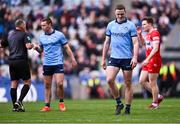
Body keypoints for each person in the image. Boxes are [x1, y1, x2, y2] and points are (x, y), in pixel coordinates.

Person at [101, 4, 139, 115]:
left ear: (125, 12)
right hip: (114, 57)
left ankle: (127, 108)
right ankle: (118, 103)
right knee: (109, 80)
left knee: (127, 83)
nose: (120, 16)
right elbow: (106, 42)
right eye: (118, 14)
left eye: (122, 14)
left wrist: (135, 57)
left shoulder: (131, 25)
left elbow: (136, 43)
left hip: (127, 58)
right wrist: (103, 58)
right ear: (115, 13)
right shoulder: (110, 25)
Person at [34, 18, 77, 112]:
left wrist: (73, 59)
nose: (42, 27)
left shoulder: (59, 35)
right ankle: (47, 106)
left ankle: (61, 102)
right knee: (47, 85)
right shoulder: (41, 37)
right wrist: (36, 48)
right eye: (41, 25)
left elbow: (67, 48)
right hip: (47, 63)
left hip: (58, 62)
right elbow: (41, 50)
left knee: (60, 84)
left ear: (50, 24)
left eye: (44, 25)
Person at [0, 19, 34, 112]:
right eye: (25, 25)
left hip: (11, 62)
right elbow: (28, 46)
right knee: (28, 82)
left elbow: (2, 45)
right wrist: (32, 45)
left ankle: (15, 106)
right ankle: (19, 101)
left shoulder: (10, 34)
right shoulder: (24, 34)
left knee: (14, 83)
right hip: (21, 60)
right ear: (22, 26)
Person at [137, 17, 164, 109]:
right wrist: (140, 35)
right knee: (141, 81)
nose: (142, 26)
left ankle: (155, 103)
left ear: (150, 24)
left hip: (154, 60)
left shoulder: (155, 33)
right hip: (149, 60)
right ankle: (158, 96)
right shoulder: (148, 34)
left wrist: (147, 59)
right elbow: (144, 44)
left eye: (144, 24)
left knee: (152, 83)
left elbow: (156, 49)